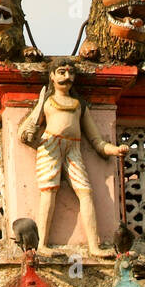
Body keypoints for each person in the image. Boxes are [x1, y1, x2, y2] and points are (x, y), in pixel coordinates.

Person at [19, 58, 128, 256]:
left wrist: (115, 150)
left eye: (70, 73)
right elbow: (27, 130)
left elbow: (97, 142)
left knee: (86, 193)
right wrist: (30, 131)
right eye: (61, 72)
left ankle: (94, 247)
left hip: (73, 149)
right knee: (49, 192)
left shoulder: (79, 105)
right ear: (51, 76)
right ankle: (42, 244)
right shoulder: (47, 101)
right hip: (50, 146)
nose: (67, 77)